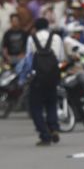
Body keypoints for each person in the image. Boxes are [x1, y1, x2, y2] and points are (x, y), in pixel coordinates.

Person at [26, 18, 65, 146]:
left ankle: (44, 134)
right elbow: (60, 57)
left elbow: (29, 60)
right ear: (48, 26)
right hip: (53, 77)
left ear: (35, 27)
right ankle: (53, 128)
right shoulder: (57, 38)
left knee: (35, 107)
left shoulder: (32, 38)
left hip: (38, 78)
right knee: (51, 103)